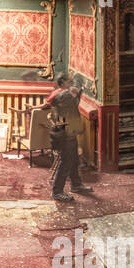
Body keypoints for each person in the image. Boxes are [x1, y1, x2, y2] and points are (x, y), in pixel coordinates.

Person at [44, 72, 92, 202]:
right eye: (69, 82)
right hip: (64, 133)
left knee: (74, 159)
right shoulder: (63, 95)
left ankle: (76, 185)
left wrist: (79, 89)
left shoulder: (62, 94)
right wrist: (80, 87)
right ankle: (57, 191)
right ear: (64, 83)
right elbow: (74, 98)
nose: (72, 84)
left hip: (69, 131)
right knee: (65, 162)